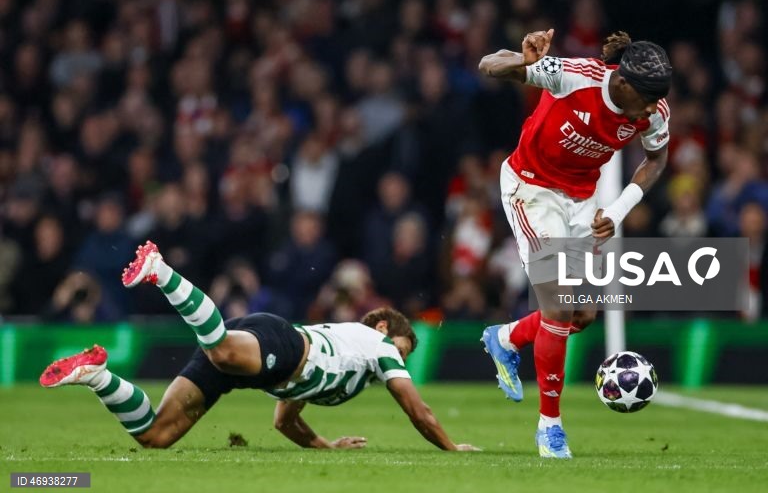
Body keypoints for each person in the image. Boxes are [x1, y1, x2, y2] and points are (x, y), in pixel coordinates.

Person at [40, 241, 477, 452]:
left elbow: (285, 421)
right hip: (280, 343)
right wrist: (454, 450)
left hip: (266, 366)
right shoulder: (376, 344)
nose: (399, 363)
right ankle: (160, 270)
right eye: (402, 351)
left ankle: (97, 374)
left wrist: (325, 447)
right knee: (223, 351)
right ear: (384, 327)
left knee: (156, 435)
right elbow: (419, 412)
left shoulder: (351, 360)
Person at [477, 29, 671, 458]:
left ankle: (506, 337)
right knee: (559, 305)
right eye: (645, 102)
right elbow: (487, 65)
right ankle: (550, 428)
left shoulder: (652, 110)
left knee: (581, 314)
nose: (649, 113)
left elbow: (656, 159)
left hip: (583, 200)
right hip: (532, 189)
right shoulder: (573, 76)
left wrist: (617, 211)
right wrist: (524, 61)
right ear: (621, 83)